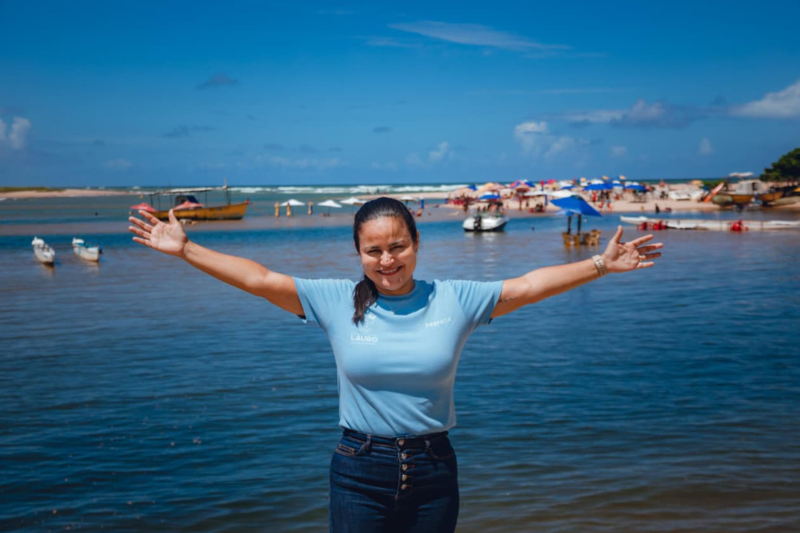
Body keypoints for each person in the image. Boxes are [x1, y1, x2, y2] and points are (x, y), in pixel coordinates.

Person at [128, 197, 662, 533]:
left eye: (398, 246)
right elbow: (261, 279)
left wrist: (600, 265)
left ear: (417, 243)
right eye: (374, 250)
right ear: (358, 252)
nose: (388, 260)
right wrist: (187, 249)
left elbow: (526, 286)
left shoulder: (455, 298)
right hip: (359, 468)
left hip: (434, 468)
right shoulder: (335, 300)